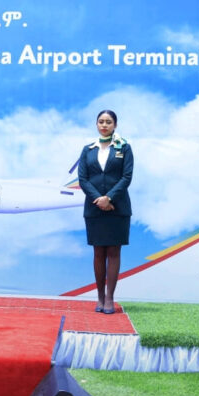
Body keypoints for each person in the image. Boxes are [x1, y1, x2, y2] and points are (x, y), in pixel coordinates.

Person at [77, 110, 133, 315]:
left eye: (108, 122)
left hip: (118, 208)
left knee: (114, 252)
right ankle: (99, 297)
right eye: (101, 121)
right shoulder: (88, 150)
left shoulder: (124, 148)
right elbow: (83, 179)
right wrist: (99, 200)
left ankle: (110, 298)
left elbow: (126, 177)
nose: (104, 125)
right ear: (96, 124)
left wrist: (109, 198)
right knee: (98, 252)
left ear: (115, 125)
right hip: (94, 208)